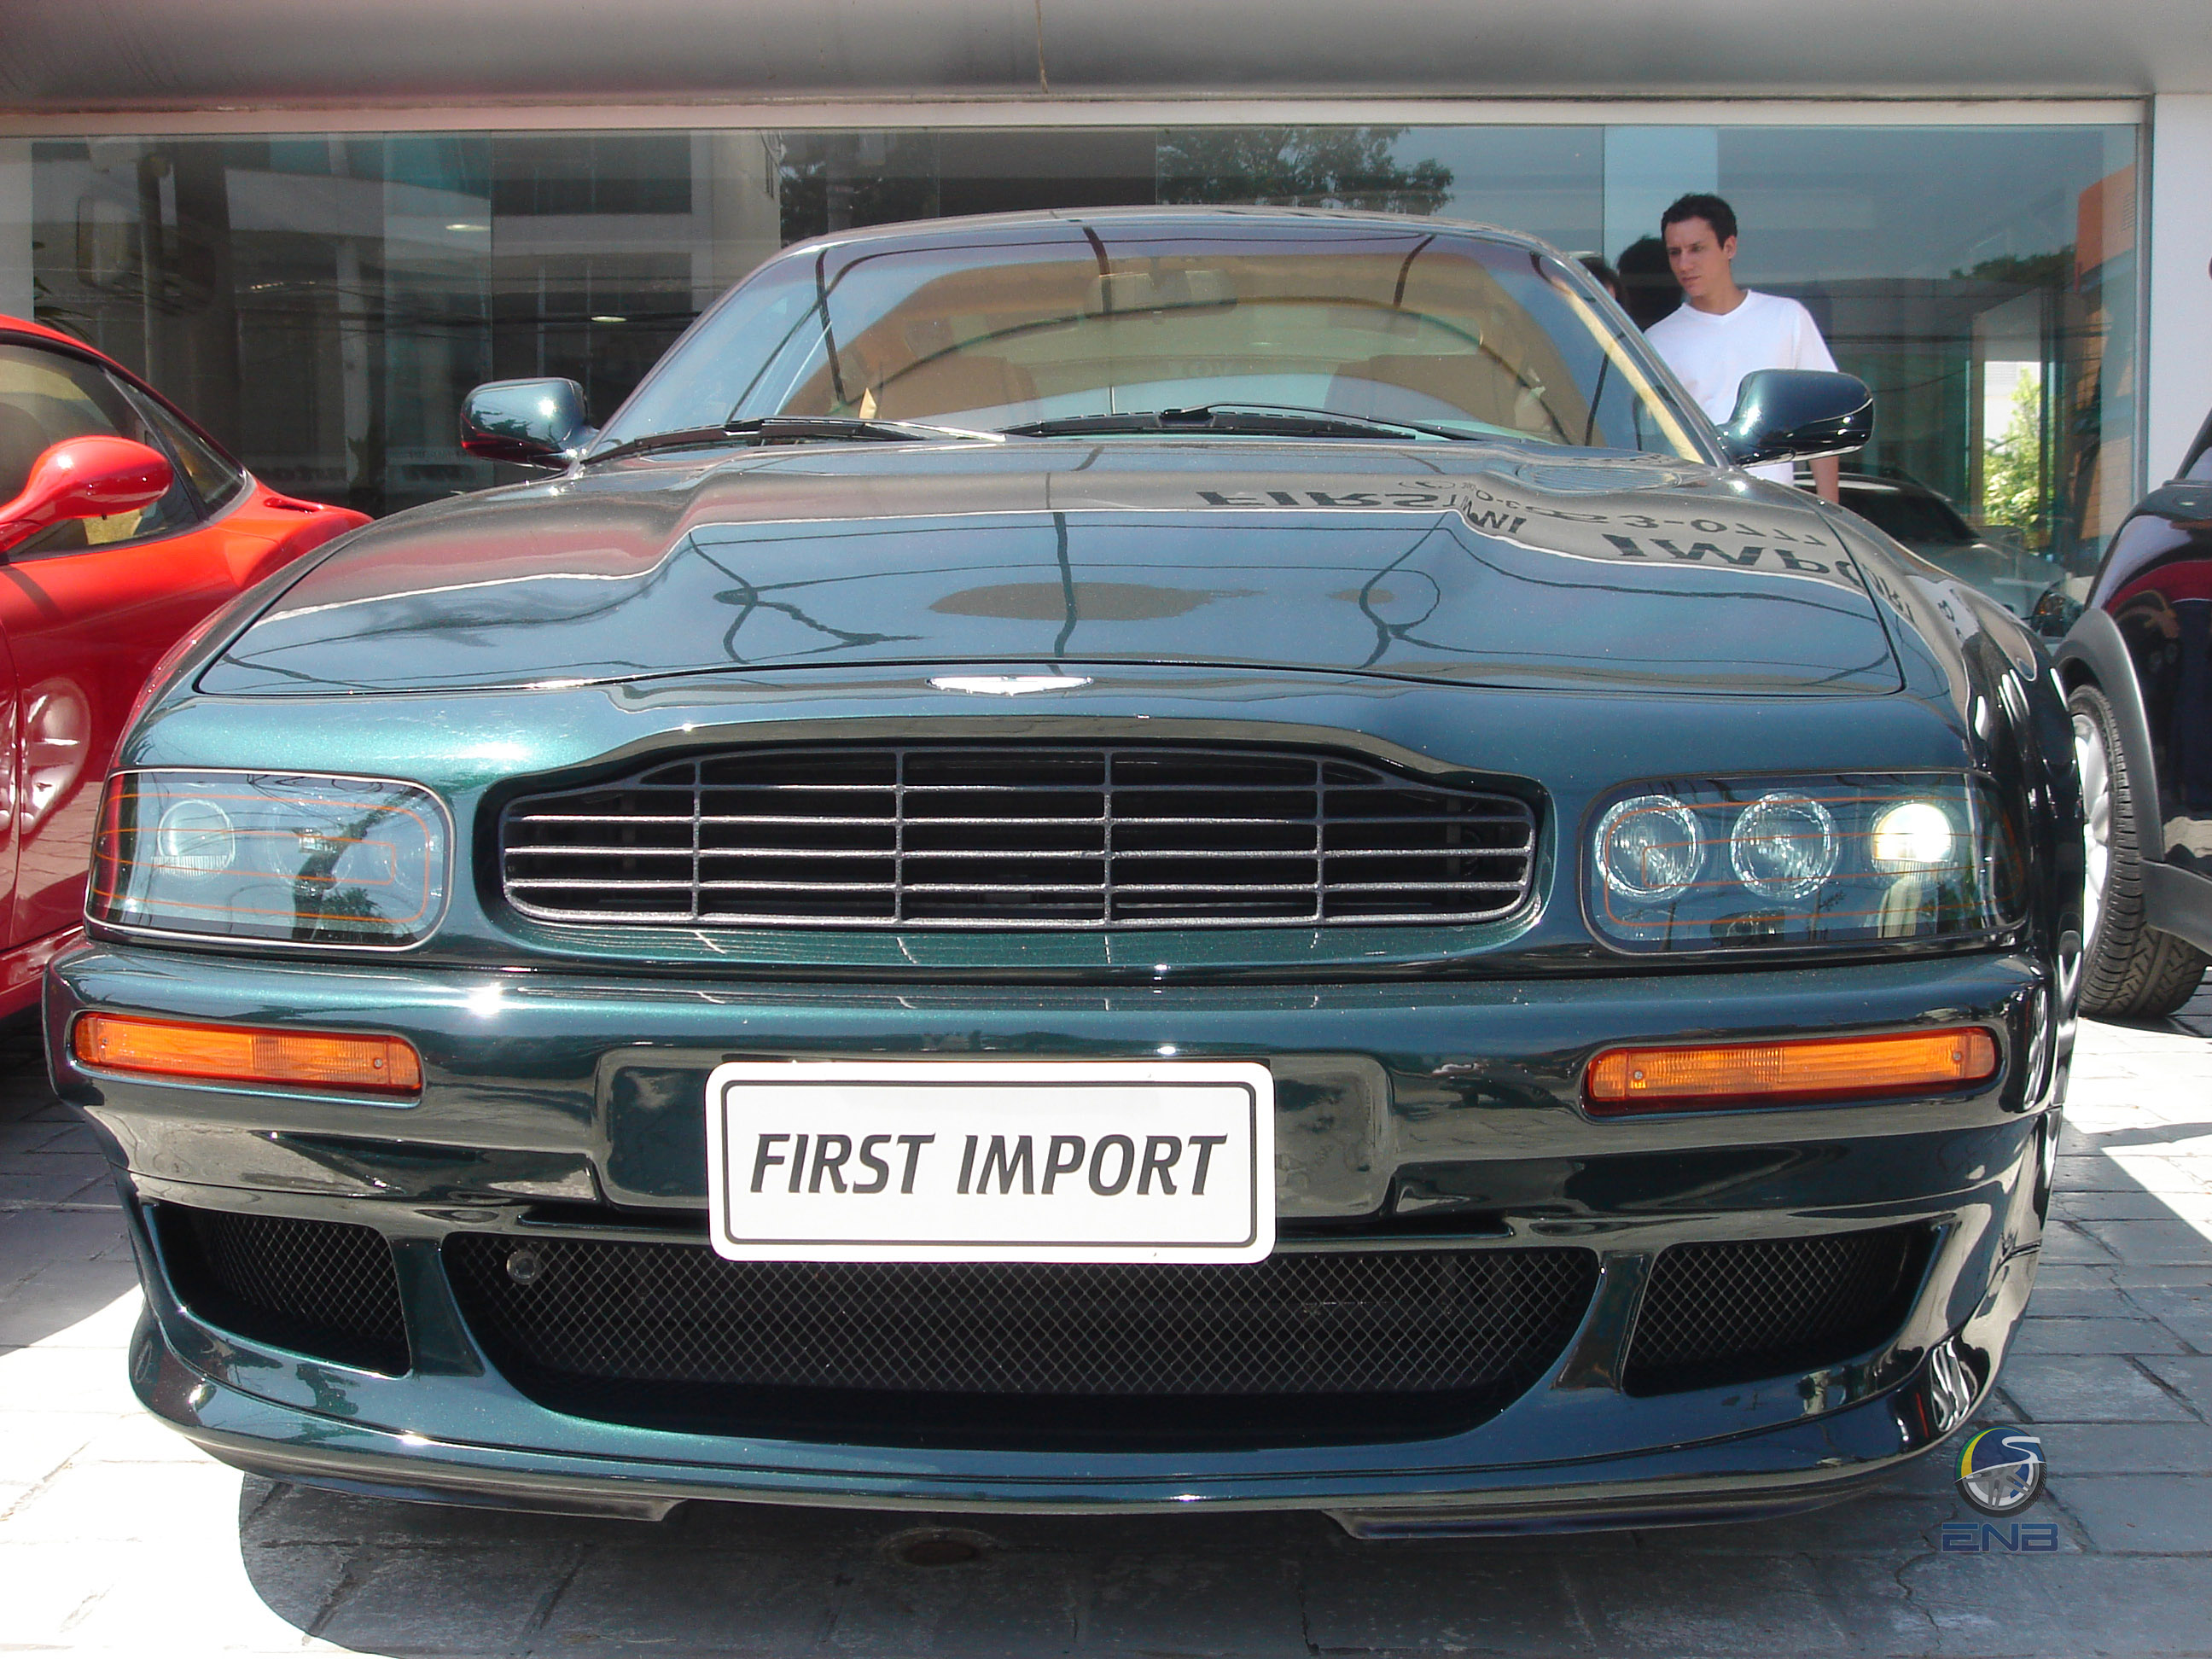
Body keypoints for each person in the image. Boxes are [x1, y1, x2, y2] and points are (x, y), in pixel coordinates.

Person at [1644, 193, 1840, 503]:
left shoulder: (1786, 318)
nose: (1684, 264)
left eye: (1697, 249)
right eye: (1674, 252)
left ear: (1729, 247)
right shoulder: (1656, 341)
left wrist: (1828, 510)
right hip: (1692, 508)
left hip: (1776, 510)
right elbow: (1649, 445)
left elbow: (1822, 420)